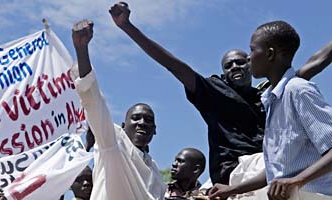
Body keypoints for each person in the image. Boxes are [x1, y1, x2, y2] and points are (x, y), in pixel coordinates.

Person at [108, 2, 332, 185]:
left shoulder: (272, 95)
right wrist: (127, 27)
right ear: (223, 75)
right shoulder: (213, 92)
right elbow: (171, 64)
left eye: (242, 60)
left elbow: (315, 63)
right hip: (238, 169)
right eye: (228, 65)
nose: (235, 66)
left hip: (265, 169)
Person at [209, 21, 332, 200]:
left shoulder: (298, 90)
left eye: (252, 50)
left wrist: (297, 180)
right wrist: (232, 189)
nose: (249, 57)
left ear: (270, 54)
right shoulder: (271, 101)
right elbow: (275, 170)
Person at [71, 19, 165, 199]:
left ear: (155, 131)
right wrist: (82, 50)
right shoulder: (114, 143)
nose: (142, 123)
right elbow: (94, 101)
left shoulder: (153, 169)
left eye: (148, 120)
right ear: (123, 125)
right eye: (136, 118)